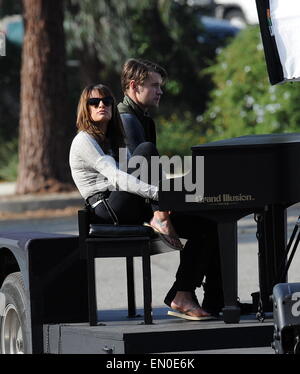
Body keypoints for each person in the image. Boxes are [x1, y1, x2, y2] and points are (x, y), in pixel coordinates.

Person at [69, 83, 219, 320]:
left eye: (107, 102)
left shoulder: (113, 139)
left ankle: (184, 294)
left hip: (130, 204)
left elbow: (139, 176)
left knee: (206, 226)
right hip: (107, 209)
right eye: (94, 102)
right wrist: (161, 196)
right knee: (147, 149)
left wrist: (171, 193)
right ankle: (160, 216)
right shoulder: (84, 140)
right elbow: (119, 178)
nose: (102, 106)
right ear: (84, 108)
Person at [118, 58, 224, 319]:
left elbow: (151, 172)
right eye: (154, 85)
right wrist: (163, 209)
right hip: (130, 206)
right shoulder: (126, 120)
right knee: (205, 226)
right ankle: (183, 295)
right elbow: (137, 174)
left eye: (160, 86)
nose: (160, 91)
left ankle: (215, 300)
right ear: (134, 86)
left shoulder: (142, 119)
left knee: (214, 221)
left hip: (145, 200)